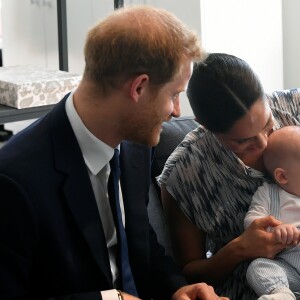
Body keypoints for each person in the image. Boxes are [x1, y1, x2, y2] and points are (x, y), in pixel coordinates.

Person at [0, 5, 229, 300]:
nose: (177, 112)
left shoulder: (135, 146)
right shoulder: (14, 181)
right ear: (139, 88)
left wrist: (177, 289)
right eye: (173, 95)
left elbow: (139, 241)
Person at [158, 53, 300, 300]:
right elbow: (189, 275)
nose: (263, 142)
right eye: (242, 140)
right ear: (204, 125)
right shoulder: (186, 173)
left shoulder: (294, 106)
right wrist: (241, 248)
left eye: (267, 123)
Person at [244, 125, 300, 300]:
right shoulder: (268, 193)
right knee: (258, 267)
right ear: (282, 176)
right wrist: (276, 229)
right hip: (290, 270)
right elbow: (252, 221)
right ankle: (281, 295)